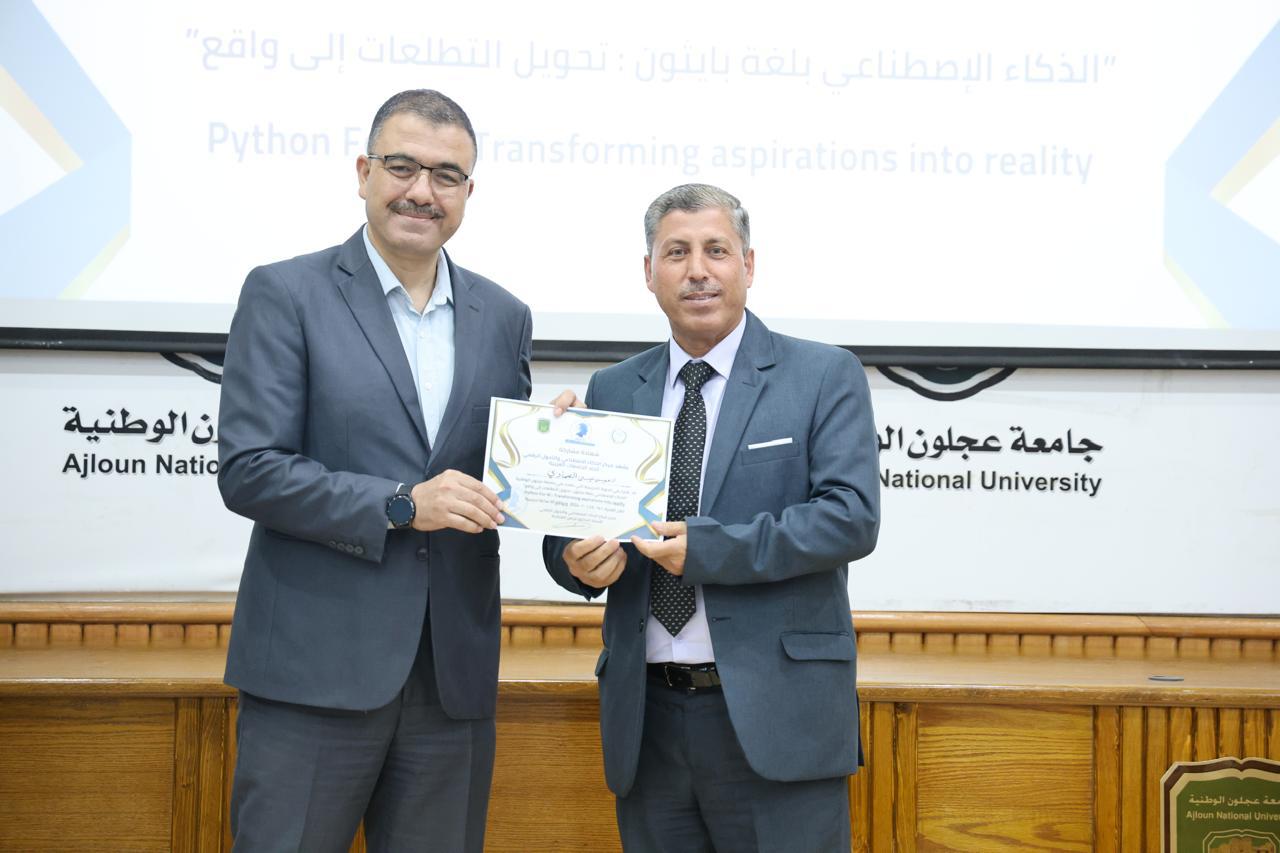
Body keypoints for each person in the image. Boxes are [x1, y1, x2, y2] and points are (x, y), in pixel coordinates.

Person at [218, 89, 530, 853]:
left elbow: (496, 478)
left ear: (468, 192)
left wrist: (554, 446)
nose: (422, 190)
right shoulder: (285, 293)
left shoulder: (505, 316)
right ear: (363, 172)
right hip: (313, 673)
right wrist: (401, 503)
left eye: (446, 175)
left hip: (450, 681)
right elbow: (250, 469)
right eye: (402, 166)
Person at [543, 183, 881, 852]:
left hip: (775, 714)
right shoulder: (615, 388)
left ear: (748, 265)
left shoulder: (822, 374)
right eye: (676, 252)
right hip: (648, 719)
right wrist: (574, 560)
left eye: (716, 250)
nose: (697, 270)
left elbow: (850, 518)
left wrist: (708, 549)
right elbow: (576, 529)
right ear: (649, 272)